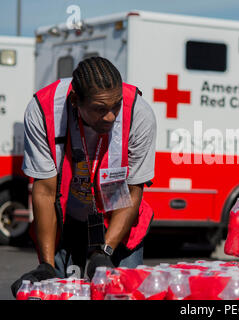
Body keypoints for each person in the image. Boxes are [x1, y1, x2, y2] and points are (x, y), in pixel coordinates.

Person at [11, 57, 157, 297]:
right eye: (100, 109)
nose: (110, 116)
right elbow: (45, 191)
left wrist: (104, 250)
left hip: (119, 220)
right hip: (68, 222)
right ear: (75, 101)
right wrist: (46, 265)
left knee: (122, 293)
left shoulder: (140, 114)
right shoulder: (42, 110)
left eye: (116, 106)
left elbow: (133, 191)